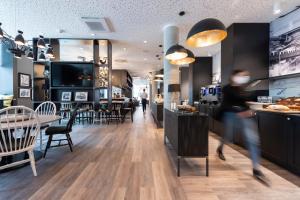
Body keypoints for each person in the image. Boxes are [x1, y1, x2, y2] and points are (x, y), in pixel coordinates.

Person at [216, 69, 269, 184]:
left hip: (244, 116)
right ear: (234, 76)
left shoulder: (242, 89)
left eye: (245, 76)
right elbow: (226, 104)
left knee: (253, 140)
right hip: (230, 114)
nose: (243, 77)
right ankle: (220, 148)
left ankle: (256, 169)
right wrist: (237, 111)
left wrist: (249, 110)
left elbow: (244, 103)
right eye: (241, 75)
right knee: (228, 136)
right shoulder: (227, 89)